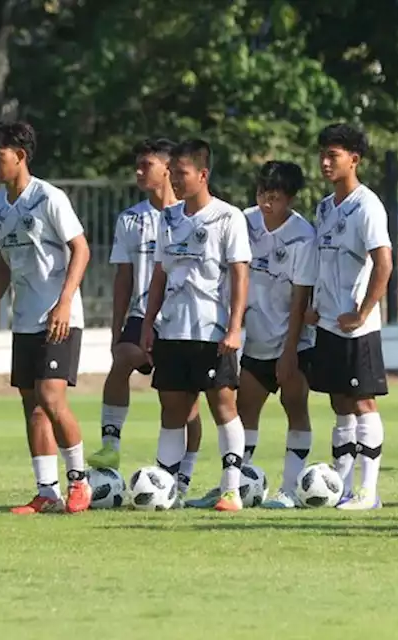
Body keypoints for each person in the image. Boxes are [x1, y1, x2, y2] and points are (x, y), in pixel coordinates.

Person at [0, 120, 92, 515]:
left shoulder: (49, 198)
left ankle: (80, 480)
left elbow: (81, 249)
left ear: (20, 156)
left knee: (50, 396)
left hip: (59, 316)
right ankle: (47, 491)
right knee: (32, 405)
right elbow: (2, 264)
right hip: (24, 318)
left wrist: (64, 302)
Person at [88, 138, 203, 501]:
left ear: (168, 170)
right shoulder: (131, 219)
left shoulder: (192, 216)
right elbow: (122, 276)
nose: (138, 172)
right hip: (141, 314)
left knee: (187, 404)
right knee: (122, 357)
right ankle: (110, 445)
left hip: (184, 318)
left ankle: (182, 477)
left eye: (146, 166)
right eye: (137, 165)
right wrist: (116, 326)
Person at [140, 139, 252, 512]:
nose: (174, 179)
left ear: (202, 175)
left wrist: (234, 327)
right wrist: (148, 322)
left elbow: (239, 275)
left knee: (223, 405)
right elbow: (159, 274)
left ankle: (231, 490)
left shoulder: (228, 217)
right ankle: (165, 491)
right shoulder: (168, 217)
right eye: (171, 172)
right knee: (172, 410)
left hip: (212, 332)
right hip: (172, 331)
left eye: (181, 173)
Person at [289, 123, 392, 510]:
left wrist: (363, 311)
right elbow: (321, 259)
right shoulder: (324, 207)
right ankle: (342, 486)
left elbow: (384, 263)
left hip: (357, 327)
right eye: (323, 155)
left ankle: (368, 491)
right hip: (328, 322)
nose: (325, 162)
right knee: (339, 403)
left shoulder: (367, 206)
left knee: (363, 402)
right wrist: (314, 304)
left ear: (355, 160)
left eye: (333, 155)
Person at [239, 161, 318, 509]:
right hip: (255, 338)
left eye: (274, 197)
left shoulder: (304, 237)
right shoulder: (244, 222)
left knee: (294, 404)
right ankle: (237, 482)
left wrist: (289, 353)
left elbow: (301, 300)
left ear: (290, 199)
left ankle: (290, 489)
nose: (265, 204)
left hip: (293, 340)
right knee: (245, 409)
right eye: (261, 195)